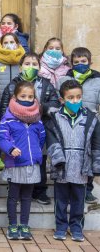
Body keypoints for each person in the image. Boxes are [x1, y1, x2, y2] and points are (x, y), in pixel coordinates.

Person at [0, 52, 60, 205]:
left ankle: (39, 191)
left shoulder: (46, 84)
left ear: (40, 67)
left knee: (39, 159)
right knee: (17, 159)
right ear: (20, 67)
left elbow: (55, 104)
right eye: (27, 64)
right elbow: (4, 106)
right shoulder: (13, 85)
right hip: (17, 130)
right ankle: (15, 189)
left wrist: (40, 108)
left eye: (34, 64)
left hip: (39, 127)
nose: (31, 67)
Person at [46, 80, 100, 242]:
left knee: (78, 200)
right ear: (62, 100)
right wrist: (57, 159)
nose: (75, 101)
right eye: (71, 98)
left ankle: (76, 227)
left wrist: (96, 164)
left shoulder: (91, 118)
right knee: (61, 200)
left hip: (81, 167)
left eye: (78, 97)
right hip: (62, 166)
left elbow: (96, 142)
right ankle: (61, 226)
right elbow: (51, 140)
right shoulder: (54, 118)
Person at [0, 81, 46, 240]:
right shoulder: (8, 118)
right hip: (15, 164)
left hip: (31, 165)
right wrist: (10, 149)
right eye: (23, 96)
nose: (27, 99)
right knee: (13, 196)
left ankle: (24, 225)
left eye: (30, 96)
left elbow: (41, 138)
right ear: (15, 97)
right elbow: (1, 138)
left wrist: (36, 153)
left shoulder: (37, 120)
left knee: (26, 197)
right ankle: (12, 225)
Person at [59, 47, 100, 204]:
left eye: (84, 61)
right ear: (71, 64)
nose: (80, 64)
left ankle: (87, 189)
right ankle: (68, 188)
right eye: (76, 62)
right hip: (69, 123)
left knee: (89, 157)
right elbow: (58, 100)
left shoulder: (97, 79)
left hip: (91, 123)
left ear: (90, 62)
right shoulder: (64, 79)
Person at [0, 33, 25, 98]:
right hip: (0, 97)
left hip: (18, 97)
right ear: (1, 45)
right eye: (5, 43)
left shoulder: (23, 60)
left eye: (12, 42)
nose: (9, 45)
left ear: (17, 44)